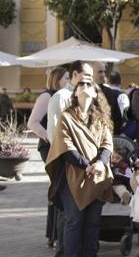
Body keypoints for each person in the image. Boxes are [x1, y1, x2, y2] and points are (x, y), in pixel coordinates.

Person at [45, 76, 115, 257]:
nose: (84, 86)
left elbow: (107, 144)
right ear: (75, 92)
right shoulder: (66, 117)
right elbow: (65, 146)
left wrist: (99, 162)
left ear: (94, 92)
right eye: (80, 84)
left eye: (88, 84)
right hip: (73, 176)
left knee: (92, 223)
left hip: (97, 176)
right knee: (74, 221)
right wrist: (87, 165)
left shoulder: (102, 119)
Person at [47, 60, 94, 256]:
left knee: (80, 219)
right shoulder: (61, 97)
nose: (90, 81)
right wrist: (74, 160)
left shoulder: (89, 97)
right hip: (68, 165)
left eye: (92, 77)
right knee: (71, 218)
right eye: (87, 76)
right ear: (74, 75)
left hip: (87, 167)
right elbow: (55, 136)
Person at [27, 66, 69, 248]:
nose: (69, 81)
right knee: (58, 187)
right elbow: (32, 122)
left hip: (59, 146)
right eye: (66, 77)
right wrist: (50, 138)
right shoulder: (47, 96)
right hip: (50, 147)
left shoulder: (65, 96)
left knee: (58, 188)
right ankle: (54, 234)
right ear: (57, 79)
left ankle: (54, 234)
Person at [92, 62, 124, 135]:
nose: (103, 75)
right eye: (100, 72)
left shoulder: (111, 94)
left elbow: (117, 120)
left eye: (104, 72)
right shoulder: (82, 93)